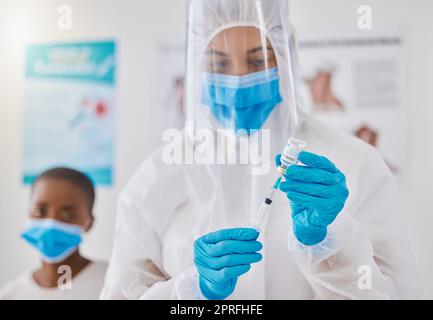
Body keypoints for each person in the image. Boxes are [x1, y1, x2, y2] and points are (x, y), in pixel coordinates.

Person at [100, 0, 422, 299]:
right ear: (197, 65)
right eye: (219, 63)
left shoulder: (355, 163)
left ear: (286, 56)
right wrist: (196, 290)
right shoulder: (159, 176)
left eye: (258, 61)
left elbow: (400, 293)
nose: (239, 79)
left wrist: (325, 242)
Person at [0, 168, 107, 300]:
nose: (51, 223)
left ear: (89, 223)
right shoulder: (11, 295)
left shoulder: (113, 283)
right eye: (40, 211)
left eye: (69, 215)